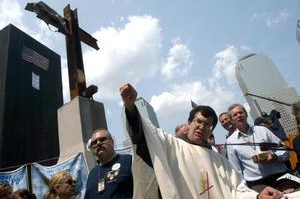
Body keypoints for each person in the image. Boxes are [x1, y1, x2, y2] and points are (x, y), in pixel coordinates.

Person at [119, 82, 286, 199]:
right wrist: (131, 108)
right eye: (198, 122)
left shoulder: (220, 161)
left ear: (211, 130)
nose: (202, 127)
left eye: (208, 125)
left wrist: (257, 196)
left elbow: (237, 191)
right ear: (189, 123)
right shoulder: (172, 145)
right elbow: (148, 135)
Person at [226, 103, 299, 193]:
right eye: (235, 115)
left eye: (241, 112)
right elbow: (236, 170)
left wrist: (274, 156)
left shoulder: (263, 130)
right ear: (232, 120)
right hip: (257, 184)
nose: (239, 116)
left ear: (246, 114)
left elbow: (285, 151)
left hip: (281, 176)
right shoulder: (231, 142)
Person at [84, 128, 133, 199]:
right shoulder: (92, 174)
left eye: (102, 139)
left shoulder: (128, 161)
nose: (98, 143)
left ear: (112, 142)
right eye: (94, 142)